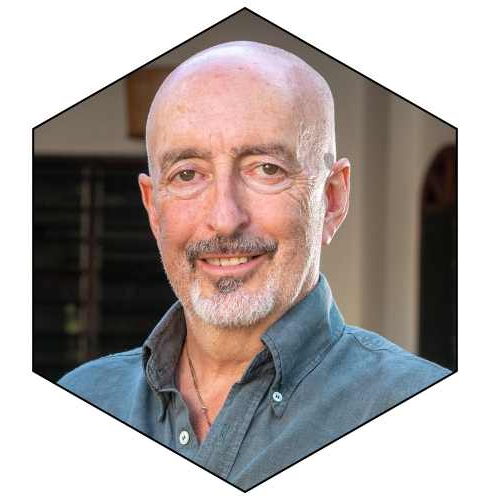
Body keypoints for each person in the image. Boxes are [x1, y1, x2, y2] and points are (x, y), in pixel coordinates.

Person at [58, 41, 451, 490]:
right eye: (187, 174)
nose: (225, 218)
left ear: (331, 199)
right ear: (153, 209)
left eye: (266, 169)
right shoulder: (80, 402)